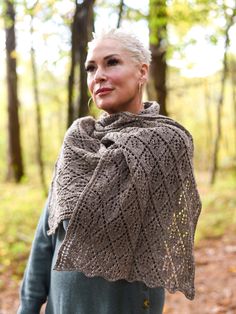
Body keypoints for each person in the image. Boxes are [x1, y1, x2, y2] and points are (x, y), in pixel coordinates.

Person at [17, 28, 201, 314]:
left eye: (111, 62)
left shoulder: (166, 142)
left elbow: (154, 246)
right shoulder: (78, 142)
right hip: (62, 306)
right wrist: (27, 306)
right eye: (91, 68)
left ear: (142, 72)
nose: (98, 76)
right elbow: (47, 236)